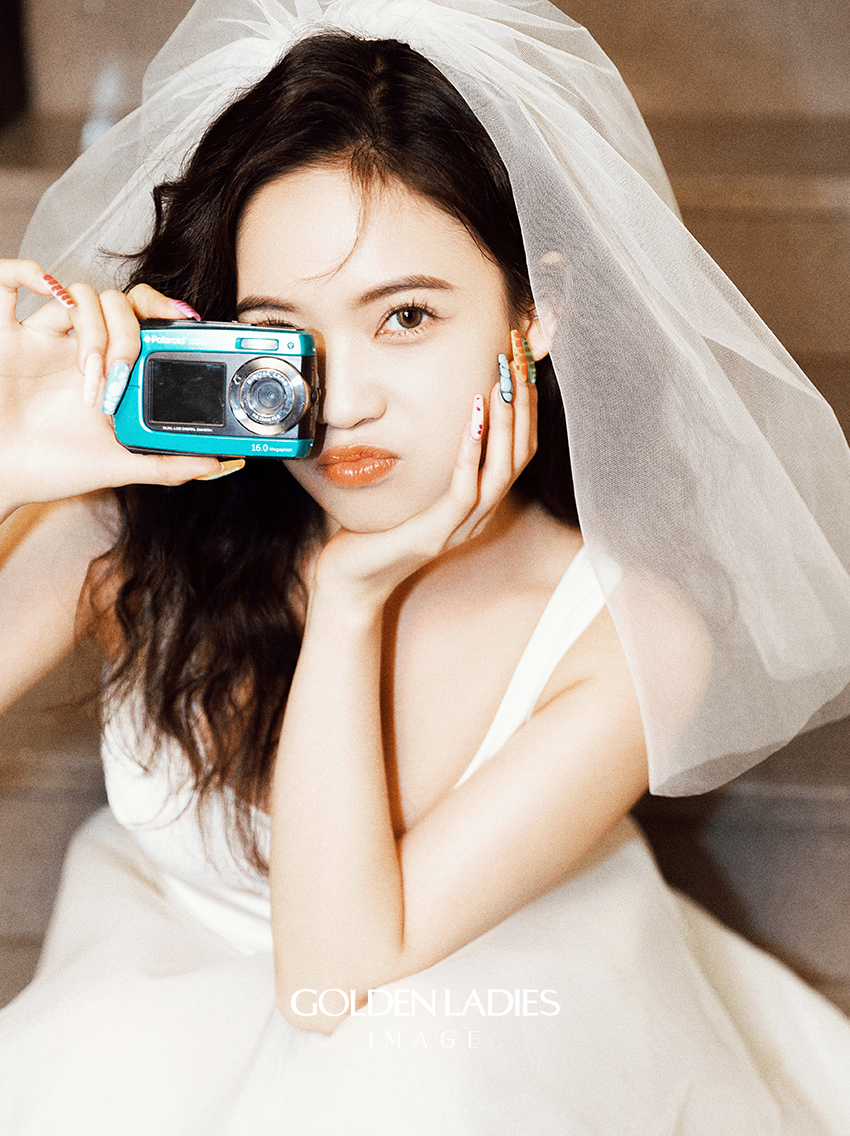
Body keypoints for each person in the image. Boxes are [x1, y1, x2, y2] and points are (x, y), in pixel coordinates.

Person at [2, 0, 850, 1132]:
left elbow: (329, 980)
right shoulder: (143, 519)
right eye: (284, 331)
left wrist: (352, 595)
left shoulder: (626, 636)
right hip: (147, 998)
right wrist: (10, 463)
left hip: (462, 1019)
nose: (344, 400)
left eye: (404, 316)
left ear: (534, 311)